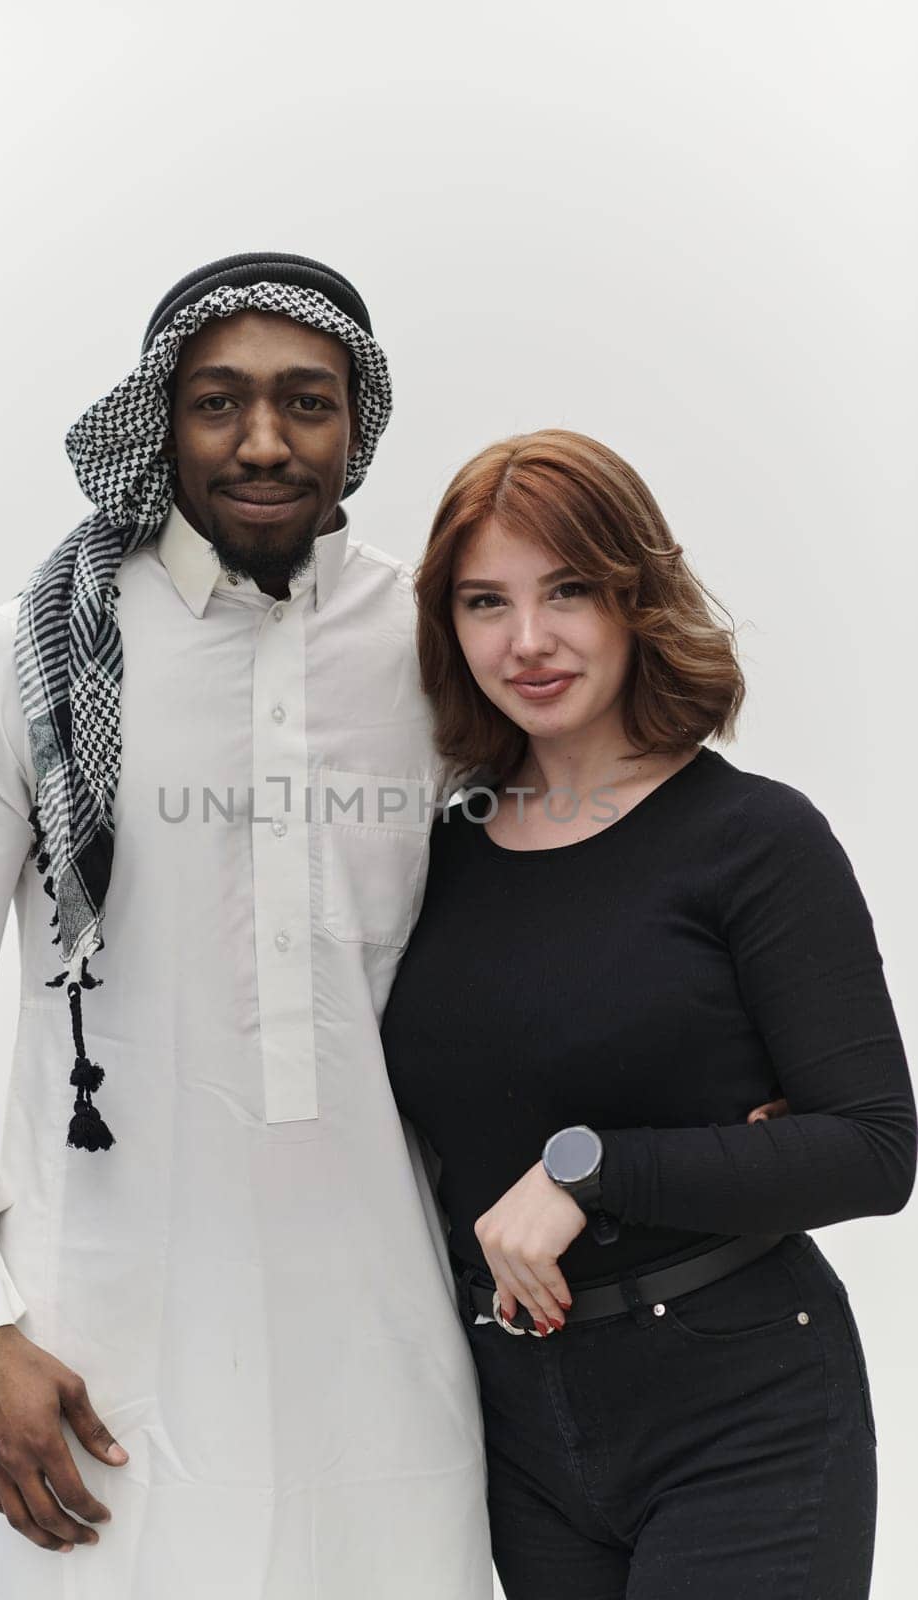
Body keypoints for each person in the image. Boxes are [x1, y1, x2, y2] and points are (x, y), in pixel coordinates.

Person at [0, 252, 495, 1599]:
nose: (262, 442)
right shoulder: (23, 659)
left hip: (391, 1342)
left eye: (304, 401)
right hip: (98, 1344)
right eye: (218, 402)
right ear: (160, 419)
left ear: (356, 425)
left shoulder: (437, 650)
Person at [380, 428, 917, 1598]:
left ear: (635, 595)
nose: (526, 641)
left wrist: (589, 1172)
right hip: (517, 1427)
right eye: (484, 601)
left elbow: (874, 1149)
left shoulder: (753, 842)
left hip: (741, 1411)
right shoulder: (433, 853)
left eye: (566, 590)